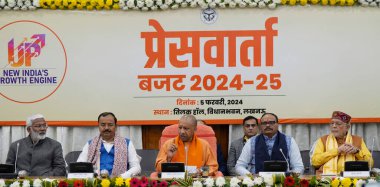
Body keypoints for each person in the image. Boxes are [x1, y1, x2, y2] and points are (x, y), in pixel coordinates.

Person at [235, 113, 304, 175]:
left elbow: (298, 166)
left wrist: (291, 176)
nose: (268, 125)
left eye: (271, 122)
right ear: (260, 126)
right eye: (264, 123)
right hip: (257, 183)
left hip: (283, 182)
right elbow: (240, 166)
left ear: (277, 124)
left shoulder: (289, 141)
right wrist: (252, 176)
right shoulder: (252, 142)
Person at [77, 112, 141, 178]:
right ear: (98, 126)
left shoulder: (127, 143)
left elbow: (136, 167)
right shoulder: (90, 144)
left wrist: (121, 177)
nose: (106, 128)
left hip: (119, 183)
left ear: (116, 126)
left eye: (110, 125)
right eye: (103, 125)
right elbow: (79, 166)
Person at [155, 115, 221, 176]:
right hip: (174, 182)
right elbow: (158, 168)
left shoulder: (204, 145)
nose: (182, 131)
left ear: (195, 130)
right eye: (180, 128)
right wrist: (168, 158)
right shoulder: (169, 144)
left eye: (186, 129)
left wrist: (200, 171)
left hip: (196, 182)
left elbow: (213, 167)